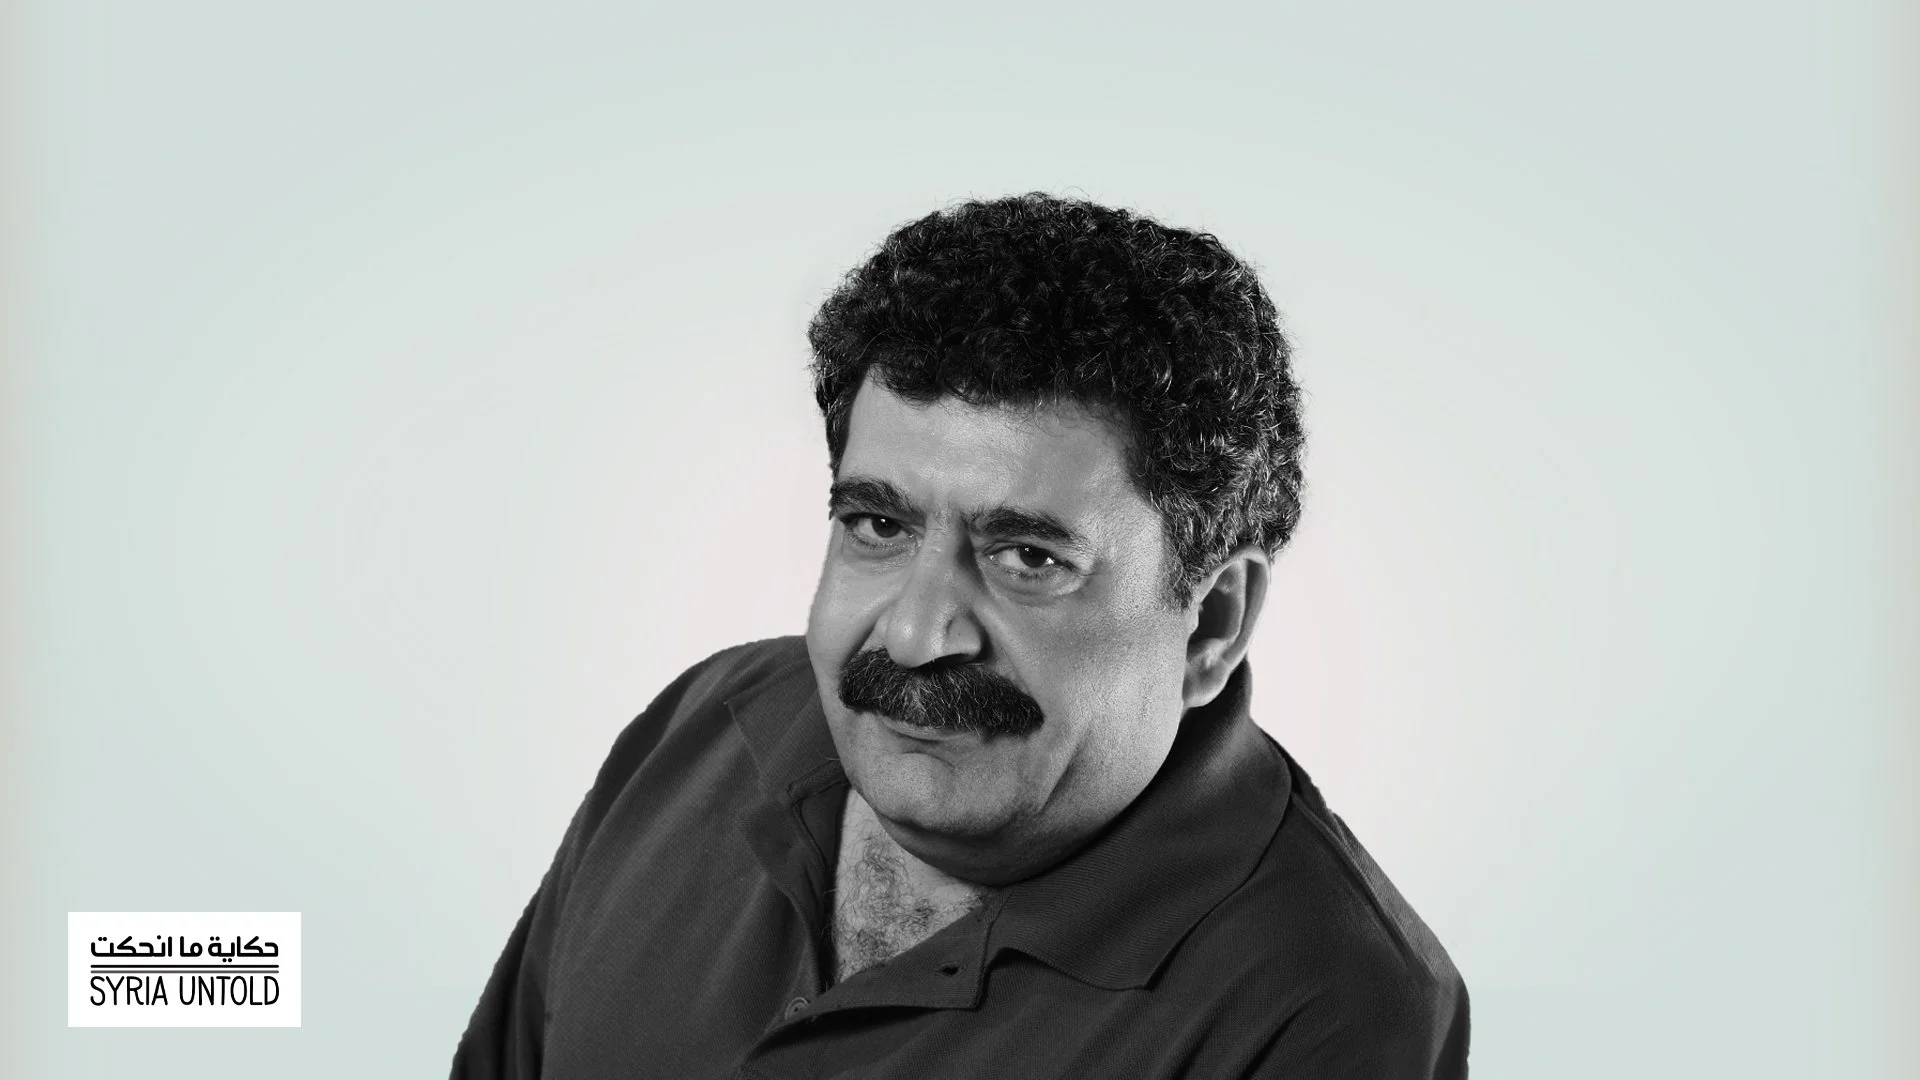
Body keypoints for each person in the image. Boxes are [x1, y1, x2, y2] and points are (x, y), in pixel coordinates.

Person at [452, 193, 1469, 1078]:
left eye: (1027, 557)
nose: (914, 633)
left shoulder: (1329, 1005)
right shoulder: (701, 728)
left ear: (1210, 624)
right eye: (878, 526)